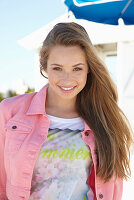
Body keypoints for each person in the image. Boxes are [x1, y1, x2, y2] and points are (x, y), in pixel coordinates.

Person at [0, 22, 133, 200]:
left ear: (88, 70)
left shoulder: (104, 118)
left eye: (77, 68)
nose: (67, 79)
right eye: (57, 68)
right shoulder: (10, 112)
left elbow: (112, 189)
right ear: (44, 66)